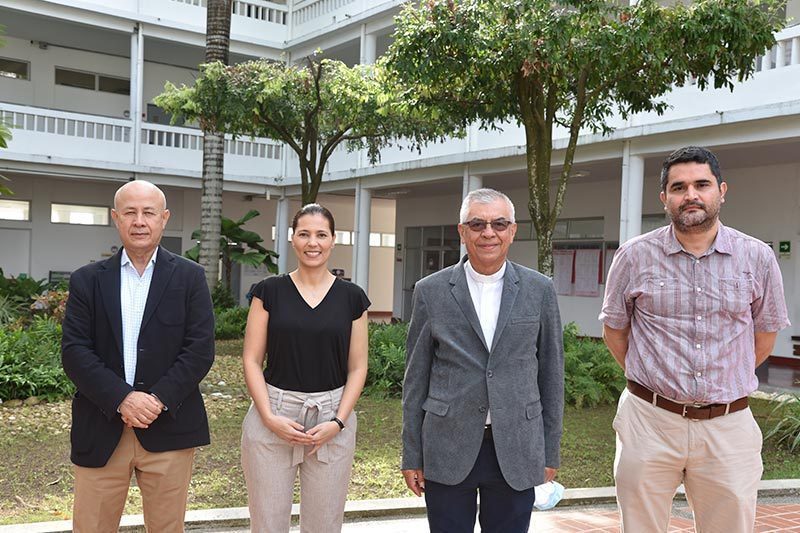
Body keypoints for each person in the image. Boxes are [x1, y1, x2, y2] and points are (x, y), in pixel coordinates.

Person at [600, 146, 790, 532]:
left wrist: (720, 379)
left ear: (721, 190)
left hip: (728, 426)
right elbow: (615, 332)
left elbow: (764, 338)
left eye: (701, 184)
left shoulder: (757, 257)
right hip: (649, 422)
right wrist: (657, 380)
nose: (691, 195)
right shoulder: (633, 256)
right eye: (679, 187)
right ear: (664, 198)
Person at [402, 188, 565, 533]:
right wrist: (412, 455)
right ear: (461, 232)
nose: (488, 233)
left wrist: (549, 452)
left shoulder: (539, 290)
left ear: (512, 230)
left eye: (498, 224)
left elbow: (551, 374)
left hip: (517, 447)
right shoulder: (430, 291)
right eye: (477, 224)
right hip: (447, 444)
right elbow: (415, 378)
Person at [61, 180, 215, 532]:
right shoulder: (87, 281)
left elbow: (200, 349)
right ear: (116, 218)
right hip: (101, 427)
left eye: (148, 212)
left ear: (164, 218)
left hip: (170, 427)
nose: (140, 221)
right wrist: (122, 398)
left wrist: (156, 399)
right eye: (130, 212)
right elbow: (75, 351)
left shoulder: (190, 277)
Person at [241, 203, 370, 533]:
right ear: (292, 239)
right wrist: (269, 417)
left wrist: (339, 422)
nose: (313, 242)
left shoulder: (352, 298)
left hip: (331, 417)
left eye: (321, 235)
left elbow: (358, 367)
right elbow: (252, 360)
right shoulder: (269, 291)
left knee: (324, 525)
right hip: (275, 411)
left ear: (333, 240)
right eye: (304, 234)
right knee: (268, 523)